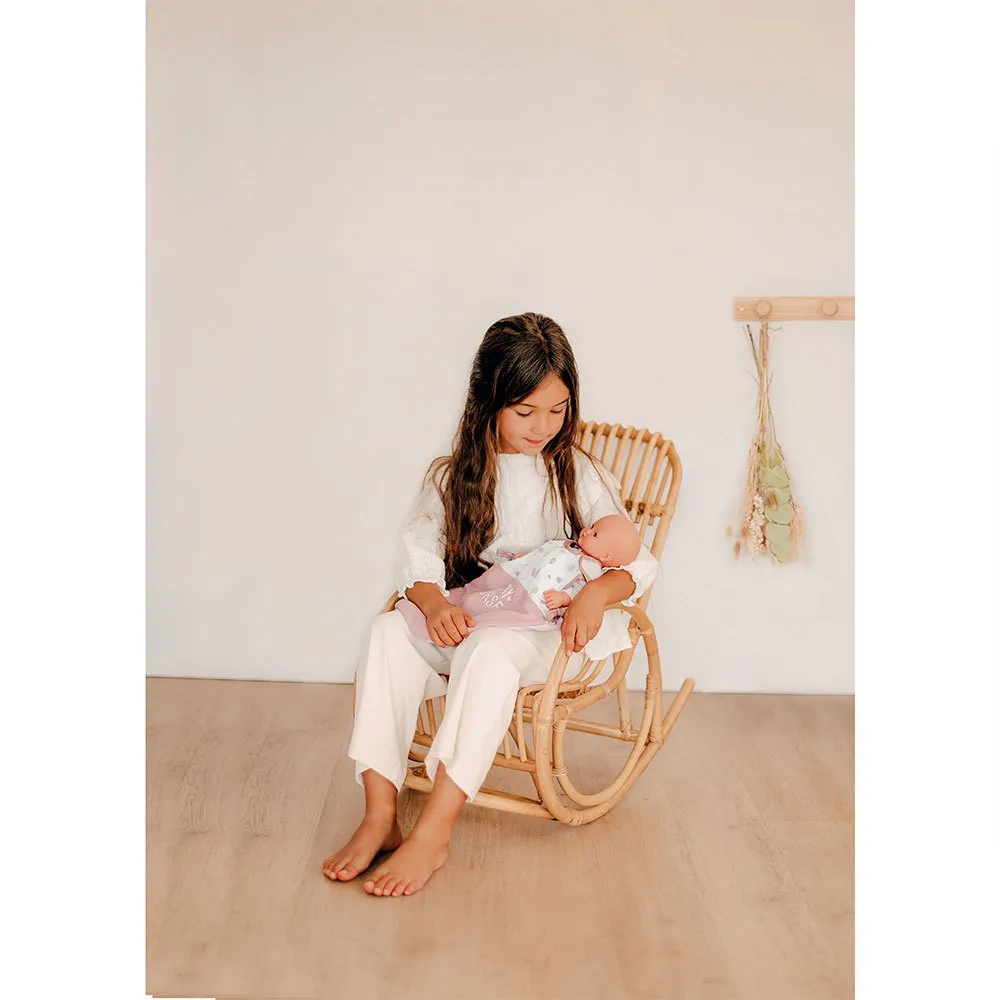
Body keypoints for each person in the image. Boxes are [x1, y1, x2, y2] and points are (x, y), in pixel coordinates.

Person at [321, 312, 659, 898]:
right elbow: (419, 560)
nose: (543, 427)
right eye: (525, 411)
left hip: (549, 632)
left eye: (558, 410)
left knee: (491, 648)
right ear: (489, 402)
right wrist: (433, 605)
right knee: (387, 634)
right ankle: (380, 815)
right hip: (477, 613)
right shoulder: (455, 475)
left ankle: (435, 830)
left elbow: (637, 559)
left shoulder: (576, 473)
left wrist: (597, 594)